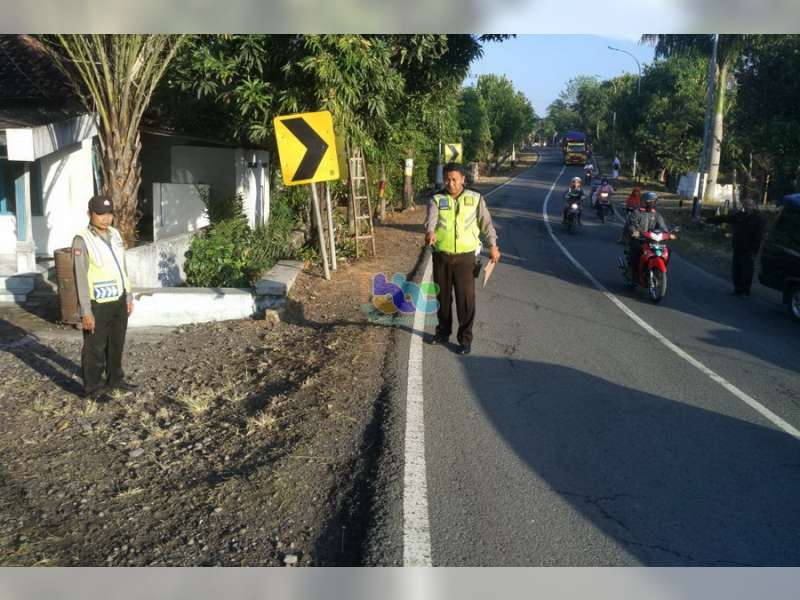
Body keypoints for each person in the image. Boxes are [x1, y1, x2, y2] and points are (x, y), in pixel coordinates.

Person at [425, 162, 500, 355]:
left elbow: (486, 224)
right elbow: (431, 220)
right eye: (446, 179)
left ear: (463, 179)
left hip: (466, 258)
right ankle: (443, 333)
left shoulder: (475, 198)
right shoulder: (436, 198)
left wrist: (493, 245)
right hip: (442, 256)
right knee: (442, 298)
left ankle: (465, 339)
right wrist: (430, 232)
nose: (450, 184)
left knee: (465, 300)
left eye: (454, 180)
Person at [73, 195, 137, 400]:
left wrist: (128, 296)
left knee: (116, 343)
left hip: (118, 299)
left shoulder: (115, 234)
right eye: (100, 214)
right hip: (97, 303)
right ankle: (93, 388)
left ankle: (115, 380)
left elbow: (122, 267)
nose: (106, 218)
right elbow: (80, 278)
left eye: (109, 214)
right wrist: (86, 311)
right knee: (95, 347)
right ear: (90, 214)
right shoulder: (82, 239)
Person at [705, 197, 766, 297]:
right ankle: (737, 289)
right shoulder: (740, 215)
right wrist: (709, 220)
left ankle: (745, 291)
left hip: (749, 250)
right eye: (746, 205)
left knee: (746, 271)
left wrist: (754, 251)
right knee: (736, 269)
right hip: (738, 247)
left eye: (750, 205)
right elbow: (726, 218)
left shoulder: (758, 219)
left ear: (754, 206)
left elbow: (758, 237)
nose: (747, 207)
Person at [624, 191, 674, 280]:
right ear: (644, 202)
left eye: (653, 202)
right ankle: (632, 272)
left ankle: (659, 269)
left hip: (653, 240)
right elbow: (631, 224)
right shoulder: (637, 212)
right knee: (636, 251)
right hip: (639, 240)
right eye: (649, 202)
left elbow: (663, 227)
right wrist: (634, 231)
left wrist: (668, 234)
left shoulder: (657, 215)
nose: (651, 204)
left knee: (667, 250)